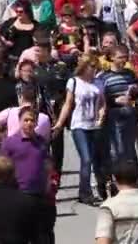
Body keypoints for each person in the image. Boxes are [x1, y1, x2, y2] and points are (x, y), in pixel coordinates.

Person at [53, 53, 107, 204]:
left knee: (96, 159)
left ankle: (101, 187)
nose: (94, 70)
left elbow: (102, 102)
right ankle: (85, 192)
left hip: (94, 125)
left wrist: (102, 114)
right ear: (84, 67)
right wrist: (60, 123)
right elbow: (68, 104)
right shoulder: (74, 82)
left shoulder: (98, 82)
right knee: (86, 158)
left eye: (96, 67)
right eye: (92, 66)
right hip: (79, 124)